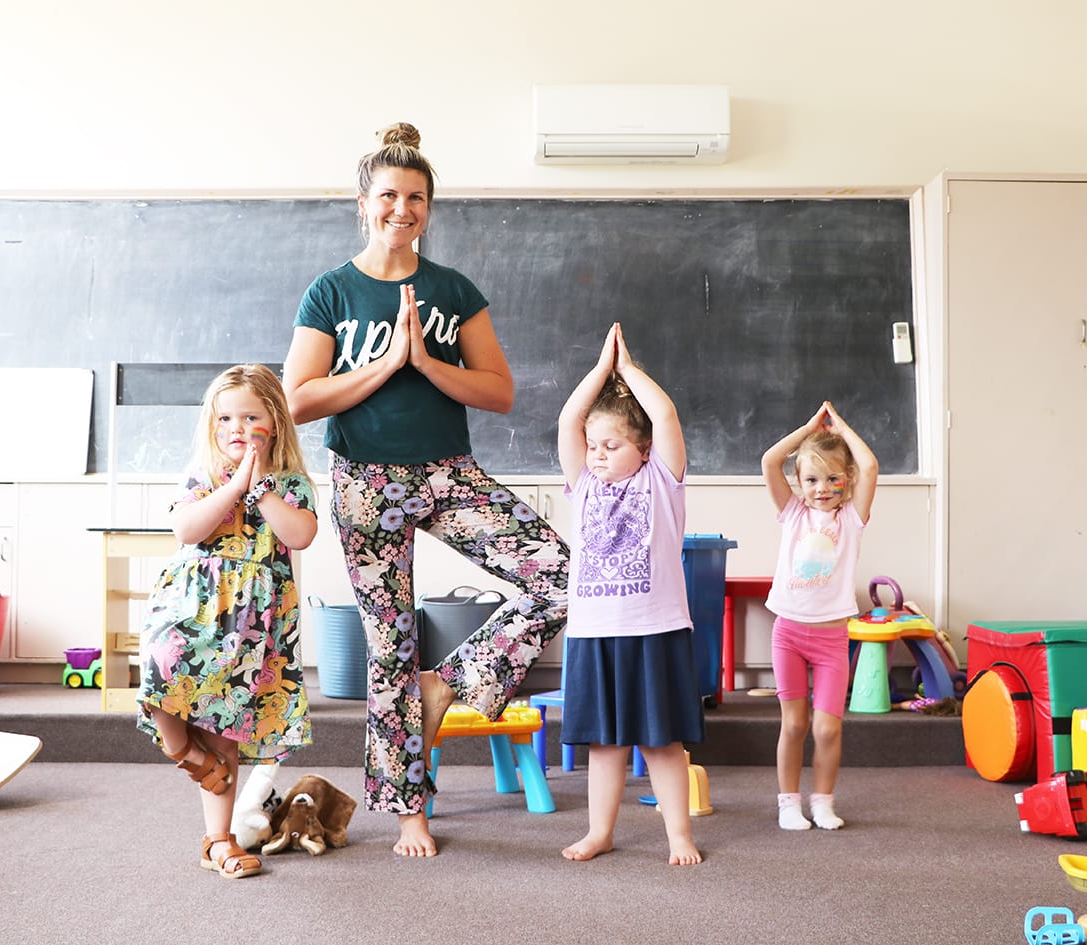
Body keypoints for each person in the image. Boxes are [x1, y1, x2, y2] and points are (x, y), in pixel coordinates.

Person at [282, 122, 570, 857]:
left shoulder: (452, 290)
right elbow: (299, 399)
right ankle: (410, 813)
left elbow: (499, 391)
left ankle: (449, 684)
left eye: (415, 198)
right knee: (390, 648)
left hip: (448, 472)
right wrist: (384, 365)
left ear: (429, 207)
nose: (401, 209)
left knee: (562, 574)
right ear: (362, 203)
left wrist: (426, 362)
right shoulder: (332, 291)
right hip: (365, 482)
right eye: (388, 195)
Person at [135, 363, 319, 879]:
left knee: (224, 728)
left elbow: (300, 535)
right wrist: (235, 484)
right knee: (159, 674)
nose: (237, 428)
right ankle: (184, 753)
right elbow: (188, 529)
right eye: (225, 419)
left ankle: (219, 840)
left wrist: (259, 488)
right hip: (191, 608)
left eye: (251, 417)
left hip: (251, 624)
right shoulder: (203, 475)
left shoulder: (290, 484)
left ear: (275, 422)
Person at [556, 322, 704, 866]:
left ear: (643, 450)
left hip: (654, 628)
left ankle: (678, 835)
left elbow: (664, 415)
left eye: (611, 445)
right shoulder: (583, 485)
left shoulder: (662, 480)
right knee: (604, 743)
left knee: (662, 742)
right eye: (593, 445)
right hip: (595, 633)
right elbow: (568, 421)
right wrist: (600, 372)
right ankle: (600, 832)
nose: (597, 454)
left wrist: (628, 370)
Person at [761, 401, 878, 831]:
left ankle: (823, 802)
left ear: (847, 481)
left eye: (832, 478)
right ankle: (788, 803)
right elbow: (770, 460)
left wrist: (841, 429)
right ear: (799, 482)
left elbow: (870, 465)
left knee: (828, 729)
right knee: (794, 724)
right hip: (789, 634)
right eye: (811, 479)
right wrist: (809, 428)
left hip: (832, 640)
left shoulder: (852, 519)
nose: (822, 488)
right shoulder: (793, 513)